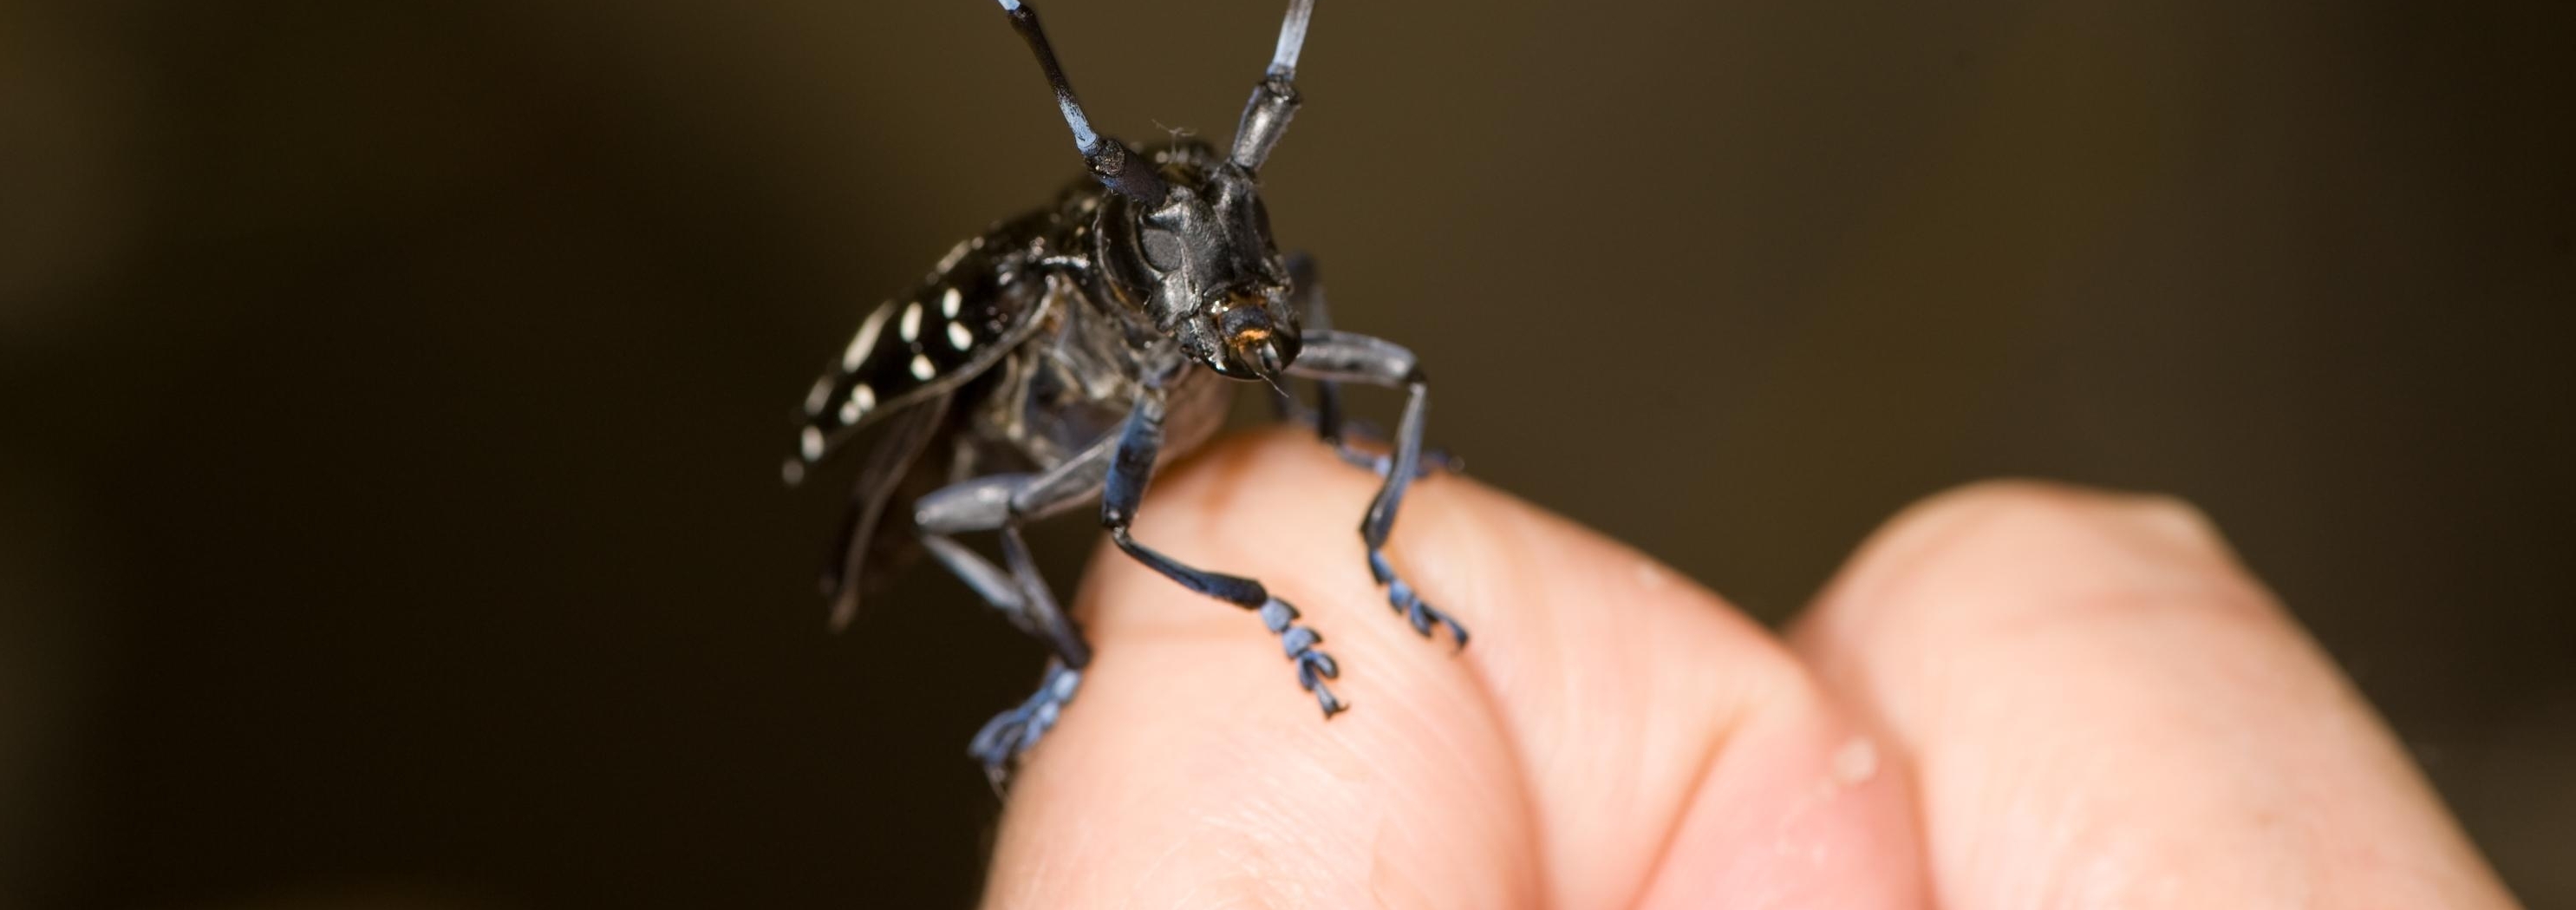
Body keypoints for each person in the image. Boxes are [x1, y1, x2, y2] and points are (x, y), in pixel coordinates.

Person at [978, 431, 2519, 907]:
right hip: (1006, 466)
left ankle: (1364, 542)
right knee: (1154, 527)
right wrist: (1283, 609)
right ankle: (1070, 663)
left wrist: (1374, 532)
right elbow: (1114, 515)